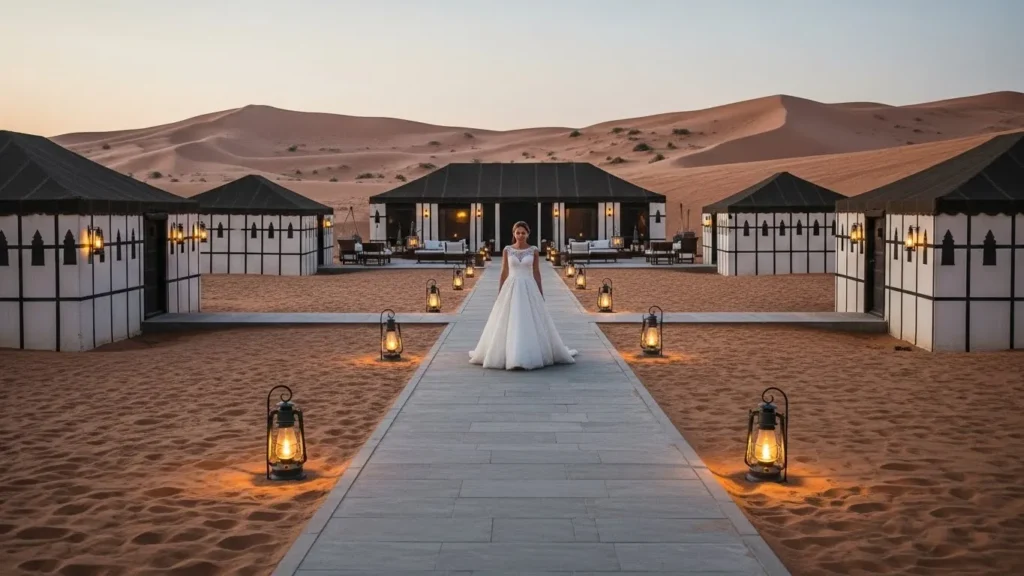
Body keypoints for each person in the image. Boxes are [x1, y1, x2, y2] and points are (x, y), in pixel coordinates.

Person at [468, 221, 578, 370]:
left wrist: (540, 291)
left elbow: (537, 272)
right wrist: (499, 292)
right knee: (509, 319)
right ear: (514, 234)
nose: (520, 235)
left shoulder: (533, 250)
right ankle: (508, 353)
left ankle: (530, 353)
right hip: (511, 286)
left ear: (528, 234)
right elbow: (504, 272)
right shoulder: (507, 250)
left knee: (529, 318)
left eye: (523, 233)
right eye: (518, 232)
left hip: (528, 286)